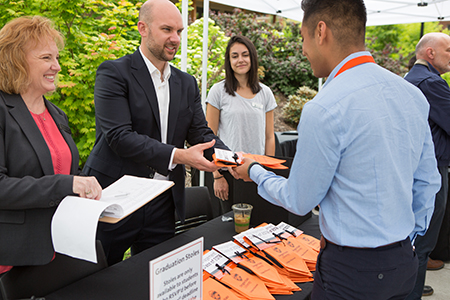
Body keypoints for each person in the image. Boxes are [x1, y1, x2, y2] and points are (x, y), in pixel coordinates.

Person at [231, 0, 441, 299]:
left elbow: (299, 199)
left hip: (350, 271)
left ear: (321, 31)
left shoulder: (324, 107)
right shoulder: (412, 95)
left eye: (302, 38)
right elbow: (428, 182)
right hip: (402, 263)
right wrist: (407, 240)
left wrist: (255, 172)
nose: (303, 49)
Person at [83, 0, 227, 266]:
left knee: (157, 279)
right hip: (114, 197)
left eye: (180, 31)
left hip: (163, 201)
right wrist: (180, 156)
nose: (175, 39)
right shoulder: (114, 72)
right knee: (100, 280)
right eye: (167, 30)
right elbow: (119, 137)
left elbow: (201, 134)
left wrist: (237, 160)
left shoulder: (186, 83)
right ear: (143, 28)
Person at [0, 16, 102, 279]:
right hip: (13, 261)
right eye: (46, 58)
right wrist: (68, 184)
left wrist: (85, 189)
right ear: (16, 60)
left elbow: (63, 171)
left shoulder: (56, 114)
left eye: (56, 58)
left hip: (62, 250)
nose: (57, 67)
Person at [205, 35, 276, 214]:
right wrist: (217, 175)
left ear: (252, 58)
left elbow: (269, 136)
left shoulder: (265, 93)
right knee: (229, 229)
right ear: (229, 61)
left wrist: (267, 172)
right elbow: (209, 136)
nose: (240, 60)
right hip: (229, 173)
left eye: (245, 55)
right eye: (234, 56)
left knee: (259, 225)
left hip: (256, 172)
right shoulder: (218, 92)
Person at [404, 32, 450, 299]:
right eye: (448, 50)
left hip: (416, 167)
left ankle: (412, 285)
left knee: (414, 239)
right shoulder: (431, 82)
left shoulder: (411, 79)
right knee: (422, 243)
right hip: (431, 170)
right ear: (430, 53)